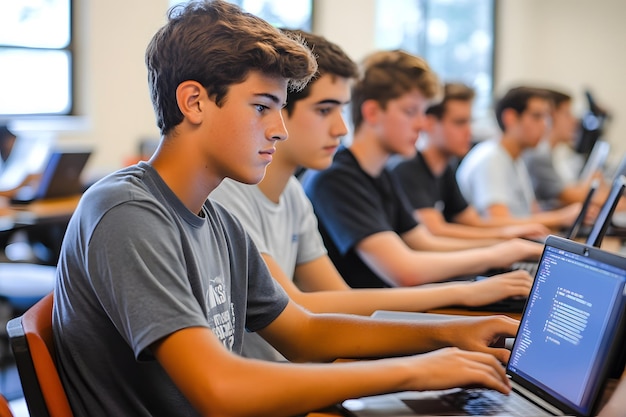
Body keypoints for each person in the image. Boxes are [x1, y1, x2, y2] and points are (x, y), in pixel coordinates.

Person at [52, 2, 518, 416]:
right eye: (262, 107)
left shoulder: (217, 220)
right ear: (193, 101)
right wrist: (414, 372)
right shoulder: (126, 211)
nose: (278, 129)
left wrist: (451, 336)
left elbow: (305, 331)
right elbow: (222, 390)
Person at [210, 30, 533, 362]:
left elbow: (337, 297)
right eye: (324, 110)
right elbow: (300, 305)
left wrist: (446, 334)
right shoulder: (235, 193)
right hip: (282, 377)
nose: (341, 129)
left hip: (303, 366)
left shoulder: (293, 192)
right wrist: (466, 294)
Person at [301, 50, 543, 289]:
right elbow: (405, 272)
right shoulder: (336, 178)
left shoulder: (381, 173)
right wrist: (495, 254)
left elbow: (424, 241)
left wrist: (505, 246)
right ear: (372, 112)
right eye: (410, 111)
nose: (421, 123)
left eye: (423, 112)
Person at [390, 82, 550, 240]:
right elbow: (435, 230)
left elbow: (472, 221)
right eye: (459, 122)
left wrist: (514, 232)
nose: (469, 131)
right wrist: (501, 238)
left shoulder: (446, 168)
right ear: (430, 124)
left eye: (469, 122)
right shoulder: (407, 168)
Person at [455, 86, 582, 229]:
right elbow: (498, 223)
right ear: (511, 118)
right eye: (537, 116)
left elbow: (532, 213)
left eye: (546, 117)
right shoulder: (491, 159)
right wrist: (561, 218)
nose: (545, 125)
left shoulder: (517, 157)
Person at [522, 88, 608, 211]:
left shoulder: (554, 154)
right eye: (567, 114)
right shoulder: (539, 155)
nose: (574, 121)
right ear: (551, 116)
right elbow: (573, 197)